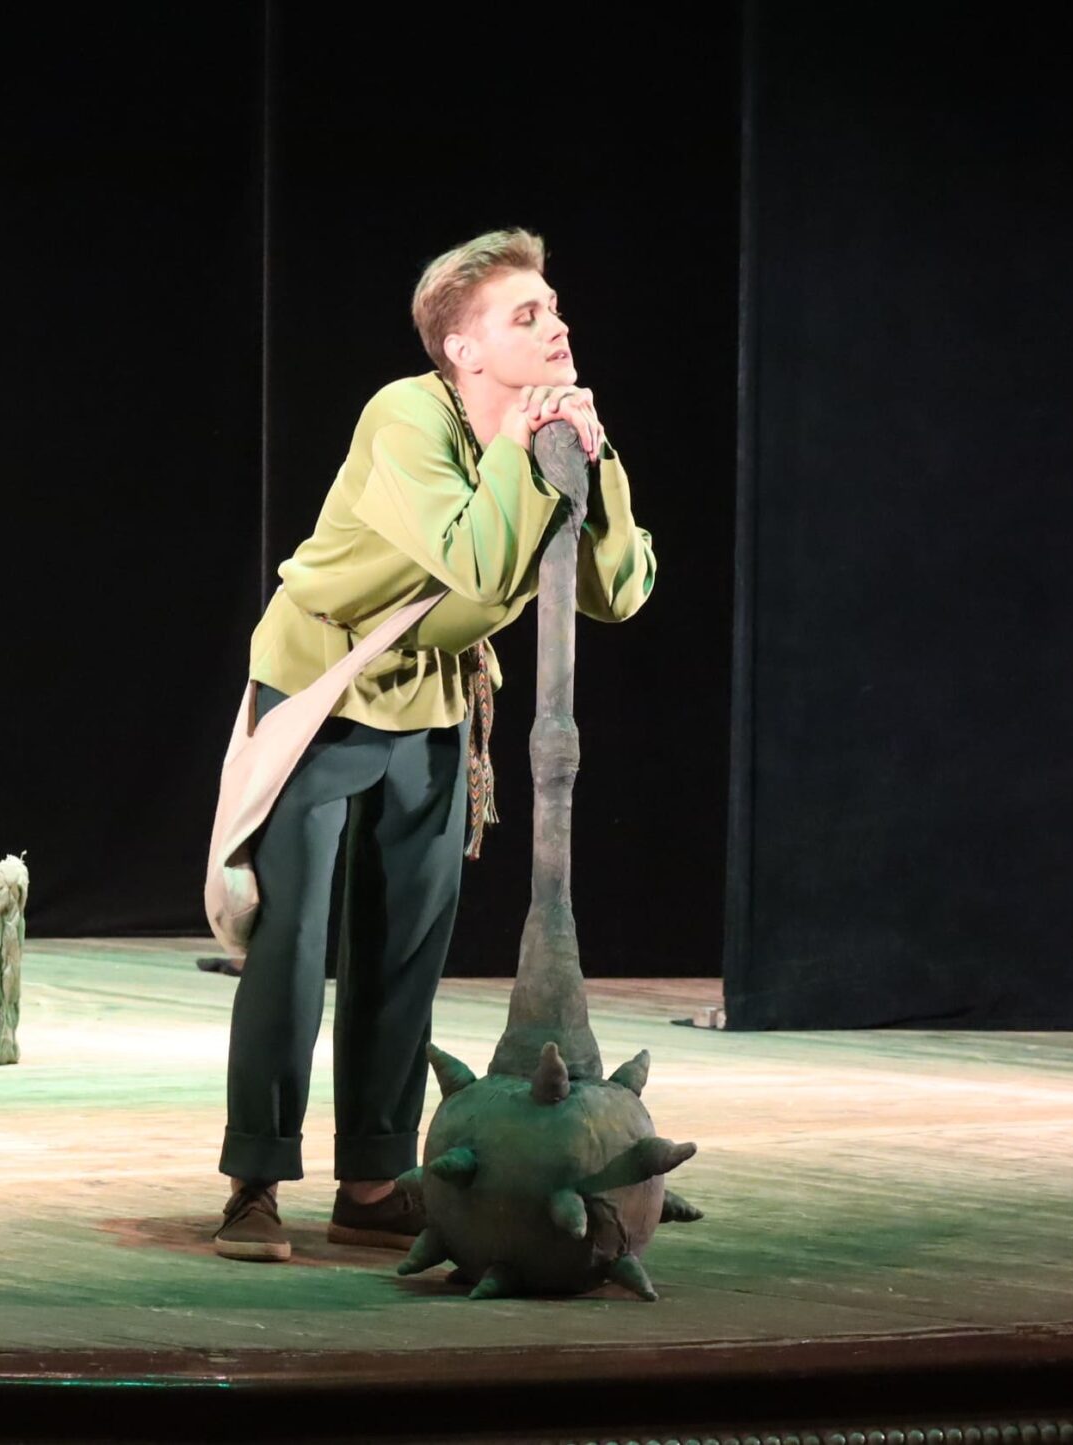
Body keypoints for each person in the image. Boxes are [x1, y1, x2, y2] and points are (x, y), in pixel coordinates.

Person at [214, 228, 658, 1262]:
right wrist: (519, 449)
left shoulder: (544, 430)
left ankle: (370, 1180)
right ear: (463, 349)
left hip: (432, 704)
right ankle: (254, 1181)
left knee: (404, 950)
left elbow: (619, 589)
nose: (556, 327)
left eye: (553, 308)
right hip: (324, 687)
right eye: (526, 315)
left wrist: (594, 461)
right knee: (292, 943)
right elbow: (474, 559)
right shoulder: (406, 416)